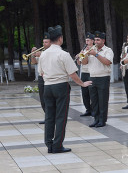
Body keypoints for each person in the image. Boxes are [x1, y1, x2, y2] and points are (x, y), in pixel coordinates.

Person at [38, 25, 92, 153]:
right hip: (61, 86)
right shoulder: (63, 54)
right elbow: (72, 74)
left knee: (49, 116)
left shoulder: (43, 55)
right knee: (61, 116)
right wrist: (82, 84)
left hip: (47, 87)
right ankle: (57, 145)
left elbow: (41, 73)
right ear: (60, 39)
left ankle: (49, 143)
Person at [83, 31, 114, 128]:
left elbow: (107, 62)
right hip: (92, 77)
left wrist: (96, 54)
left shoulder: (108, 50)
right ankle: (96, 119)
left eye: (98, 40)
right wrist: (85, 54)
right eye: (95, 40)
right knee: (94, 100)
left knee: (102, 100)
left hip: (103, 77)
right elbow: (84, 63)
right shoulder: (91, 49)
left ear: (103, 41)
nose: (95, 42)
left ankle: (102, 120)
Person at [30, 32, 52, 124]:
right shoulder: (41, 53)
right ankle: (47, 117)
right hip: (41, 78)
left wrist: (40, 54)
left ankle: (51, 117)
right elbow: (34, 62)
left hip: (50, 78)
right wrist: (32, 54)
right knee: (42, 99)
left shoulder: (51, 52)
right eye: (43, 42)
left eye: (46, 42)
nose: (44, 44)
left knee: (49, 99)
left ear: (50, 43)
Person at [76, 32, 95, 117]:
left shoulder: (95, 49)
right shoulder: (83, 50)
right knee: (85, 92)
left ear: (92, 41)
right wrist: (79, 56)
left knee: (92, 92)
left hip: (91, 73)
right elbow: (79, 63)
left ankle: (94, 109)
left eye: (88, 40)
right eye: (86, 40)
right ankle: (88, 109)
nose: (86, 42)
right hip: (84, 72)